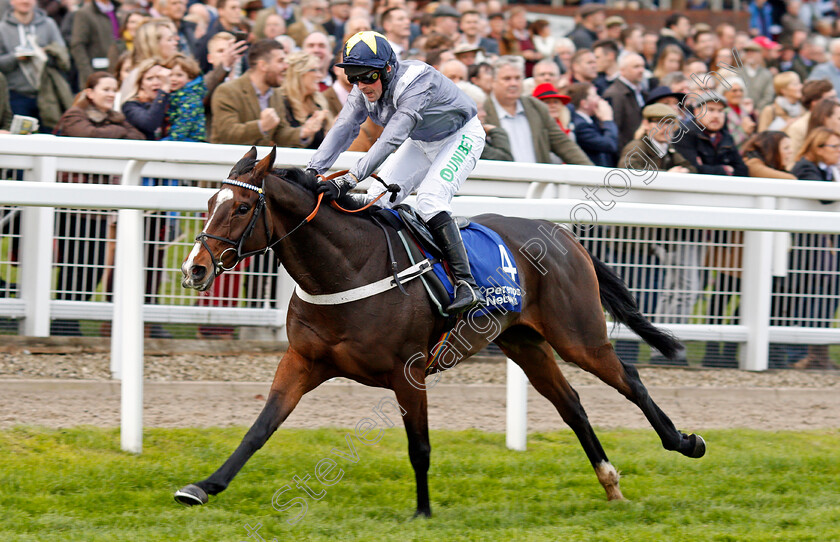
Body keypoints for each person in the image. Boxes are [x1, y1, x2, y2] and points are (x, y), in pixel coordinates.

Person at [306, 31, 487, 314]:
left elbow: (390, 140)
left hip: (460, 137)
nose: (361, 84)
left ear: (388, 68)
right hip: (422, 140)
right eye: (353, 77)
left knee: (429, 200)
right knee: (376, 198)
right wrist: (312, 170)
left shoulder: (417, 82)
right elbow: (344, 128)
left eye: (367, 76)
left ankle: (467, 284)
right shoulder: (365, 86)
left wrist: (349, 179)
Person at [51, 71, 144, 336]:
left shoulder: (116, 118)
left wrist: (111, 130)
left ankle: (71, 320)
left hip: (100, 207)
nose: (111, 94)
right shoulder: (74, 115)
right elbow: (87, 134)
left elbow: (137, 138)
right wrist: (116, 132)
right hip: (74, 205)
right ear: (89, 92)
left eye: (114, 89)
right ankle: (63, 321)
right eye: (105, 89)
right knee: (72, 262)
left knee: (92, 266)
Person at [783, 127, 840, 369]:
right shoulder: (806, 167)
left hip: (821, 249)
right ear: (817, 148)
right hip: (805, 251)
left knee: (825, 300)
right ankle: (798, 356)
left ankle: (818, 356)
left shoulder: (828, 169)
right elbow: (825, 197)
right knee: (807, 301)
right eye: (834, 147)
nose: (838, 152)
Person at [210, 39, 321, 147]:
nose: (286, 67)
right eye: (280, 61)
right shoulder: (227, 91)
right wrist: (261, 126)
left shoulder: (276, 93)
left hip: (258, 163)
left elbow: (279, 134)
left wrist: (304, 132)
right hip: (226, 162)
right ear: (263, 65)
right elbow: (227, 133)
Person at [484, 55, 592, 166]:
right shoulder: (482, 111)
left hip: (538, 180)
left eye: (518, 78)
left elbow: (564, 145)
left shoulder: (536, 107)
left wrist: (594, 174)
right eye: (507, 79)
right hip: (499, 181)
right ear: (493, 82)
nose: (513, 83)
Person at [0, 0, 69, 129]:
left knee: (49, 139)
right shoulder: (2, 28)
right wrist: (16, 57)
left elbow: (63, 56)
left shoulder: (48, 24)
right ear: (11, 2)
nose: (25, 1)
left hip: (47, 95)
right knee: (20, 141)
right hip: (16, 94)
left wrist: (44, 53)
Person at [674, 92, 748, 177]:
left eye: (720, 111)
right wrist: (724, 170)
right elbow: (692, 169)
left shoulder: (726, 137)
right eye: (711, 110)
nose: (716, 116)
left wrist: (707, 168)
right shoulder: (684, 135)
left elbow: (742, 170)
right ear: (697, 111)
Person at [280, 51, 331, 149]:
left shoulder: (319, 103)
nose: (320, 75)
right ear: (299, 73)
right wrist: (306, 132)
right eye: (315, 70)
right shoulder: (281, 102)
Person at [457, 80, 511, 161]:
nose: (484, 114)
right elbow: (505, 159)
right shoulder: (467, 141)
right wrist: (497, 132)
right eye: (479, 110)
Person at [603, 53, 647, 152]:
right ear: (622, 70)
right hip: (627, 152)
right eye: (636, 67)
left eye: (643, 66)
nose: (641, 70)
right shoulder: (614, 94)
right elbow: (615, 128)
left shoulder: (641, 92)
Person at [70, 0, 120, 88]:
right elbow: (77, 46)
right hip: (96, 74)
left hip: (118, 73)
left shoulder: (118, 11)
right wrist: (89, 75)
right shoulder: (84, 13)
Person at [568, 81, 617, 167]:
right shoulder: (581, 126)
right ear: (584, 104)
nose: (599, 98)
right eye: (595, 95)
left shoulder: (589, 121)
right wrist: (607, 119)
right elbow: (609, 145)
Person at [785, 78, 835, 156]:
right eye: (831, 98)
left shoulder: (836, 121)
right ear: (815, 103)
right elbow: (792, 161)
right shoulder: (798, 128)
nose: (836, 101)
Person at [162, 53, 206, 142]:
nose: (173, 79)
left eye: (179, 75)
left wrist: (170, 141)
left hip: (190, 140)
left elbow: (184, 124)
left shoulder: (191, 98)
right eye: (170, 75)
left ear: (189, 77)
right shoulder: (171, 94)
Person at [720, 77, 756, 148]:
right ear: (724, 93)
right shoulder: (722, 112)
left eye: (741, 90)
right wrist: (744, 131)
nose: (738, 94)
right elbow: (726, 141)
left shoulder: (744, 110)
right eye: (734, 91)